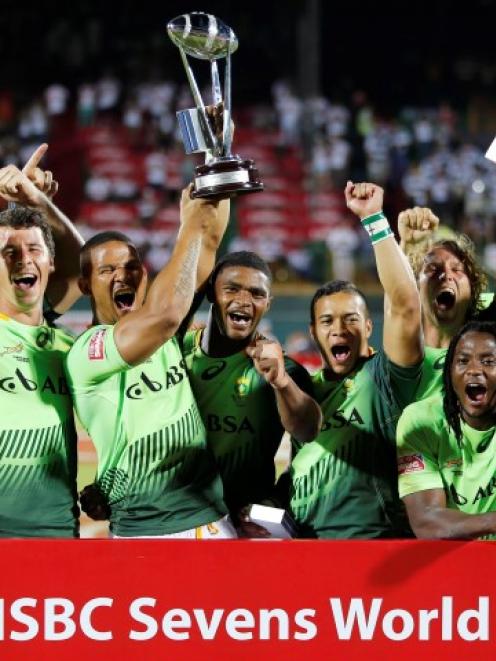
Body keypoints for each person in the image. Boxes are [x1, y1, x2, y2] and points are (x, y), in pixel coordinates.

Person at [66, 187, 237, 538]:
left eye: (131, 267)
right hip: (146, 528)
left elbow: (206, 244)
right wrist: (188, 223)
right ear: (85, 285)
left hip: (213, 520)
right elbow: (163, 316)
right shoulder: (86, 352)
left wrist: (216, 172)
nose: (122, 276)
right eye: (107, 269)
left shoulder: (166, 333)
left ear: (144, 276)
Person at [289, 181, 423, 538]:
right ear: (314, 332)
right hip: (306, 547)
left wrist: (375, 220)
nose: (339, 330)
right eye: (327, 322)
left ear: (367, 326)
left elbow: (407, 308)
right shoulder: (305, 390)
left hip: (371, 545)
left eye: (351, 319)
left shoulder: (384, 377)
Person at [181, 251, 322, 536]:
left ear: (268, 304)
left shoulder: (286, 372)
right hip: (177, 520)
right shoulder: (174, 352)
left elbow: (308, 433)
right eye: (231, 289)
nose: (243, 301)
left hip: (243, 527)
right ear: (211, 293)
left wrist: (280, 381)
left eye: (257, 294)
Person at [0, 145, 84, 537]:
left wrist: (37, 203)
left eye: (34, 249)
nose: (23, 260)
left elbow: (86, 268)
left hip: (54, 531)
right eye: (8, 252)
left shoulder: (66, 347)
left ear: (50, 263)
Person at [397, 321, 496, 540]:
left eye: (488, 361)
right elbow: (426, 522)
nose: (474, 370)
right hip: (448, 564)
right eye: (462, 361)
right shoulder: (421, 421)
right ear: (449, 373)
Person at [398, 207, 487, 399]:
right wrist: (405, 247)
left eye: (457, 269)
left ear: (473, 288)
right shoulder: (402, 355)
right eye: (432, 268)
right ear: (416, 286)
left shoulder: (489, 323)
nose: (446, 275)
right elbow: (398, 300)